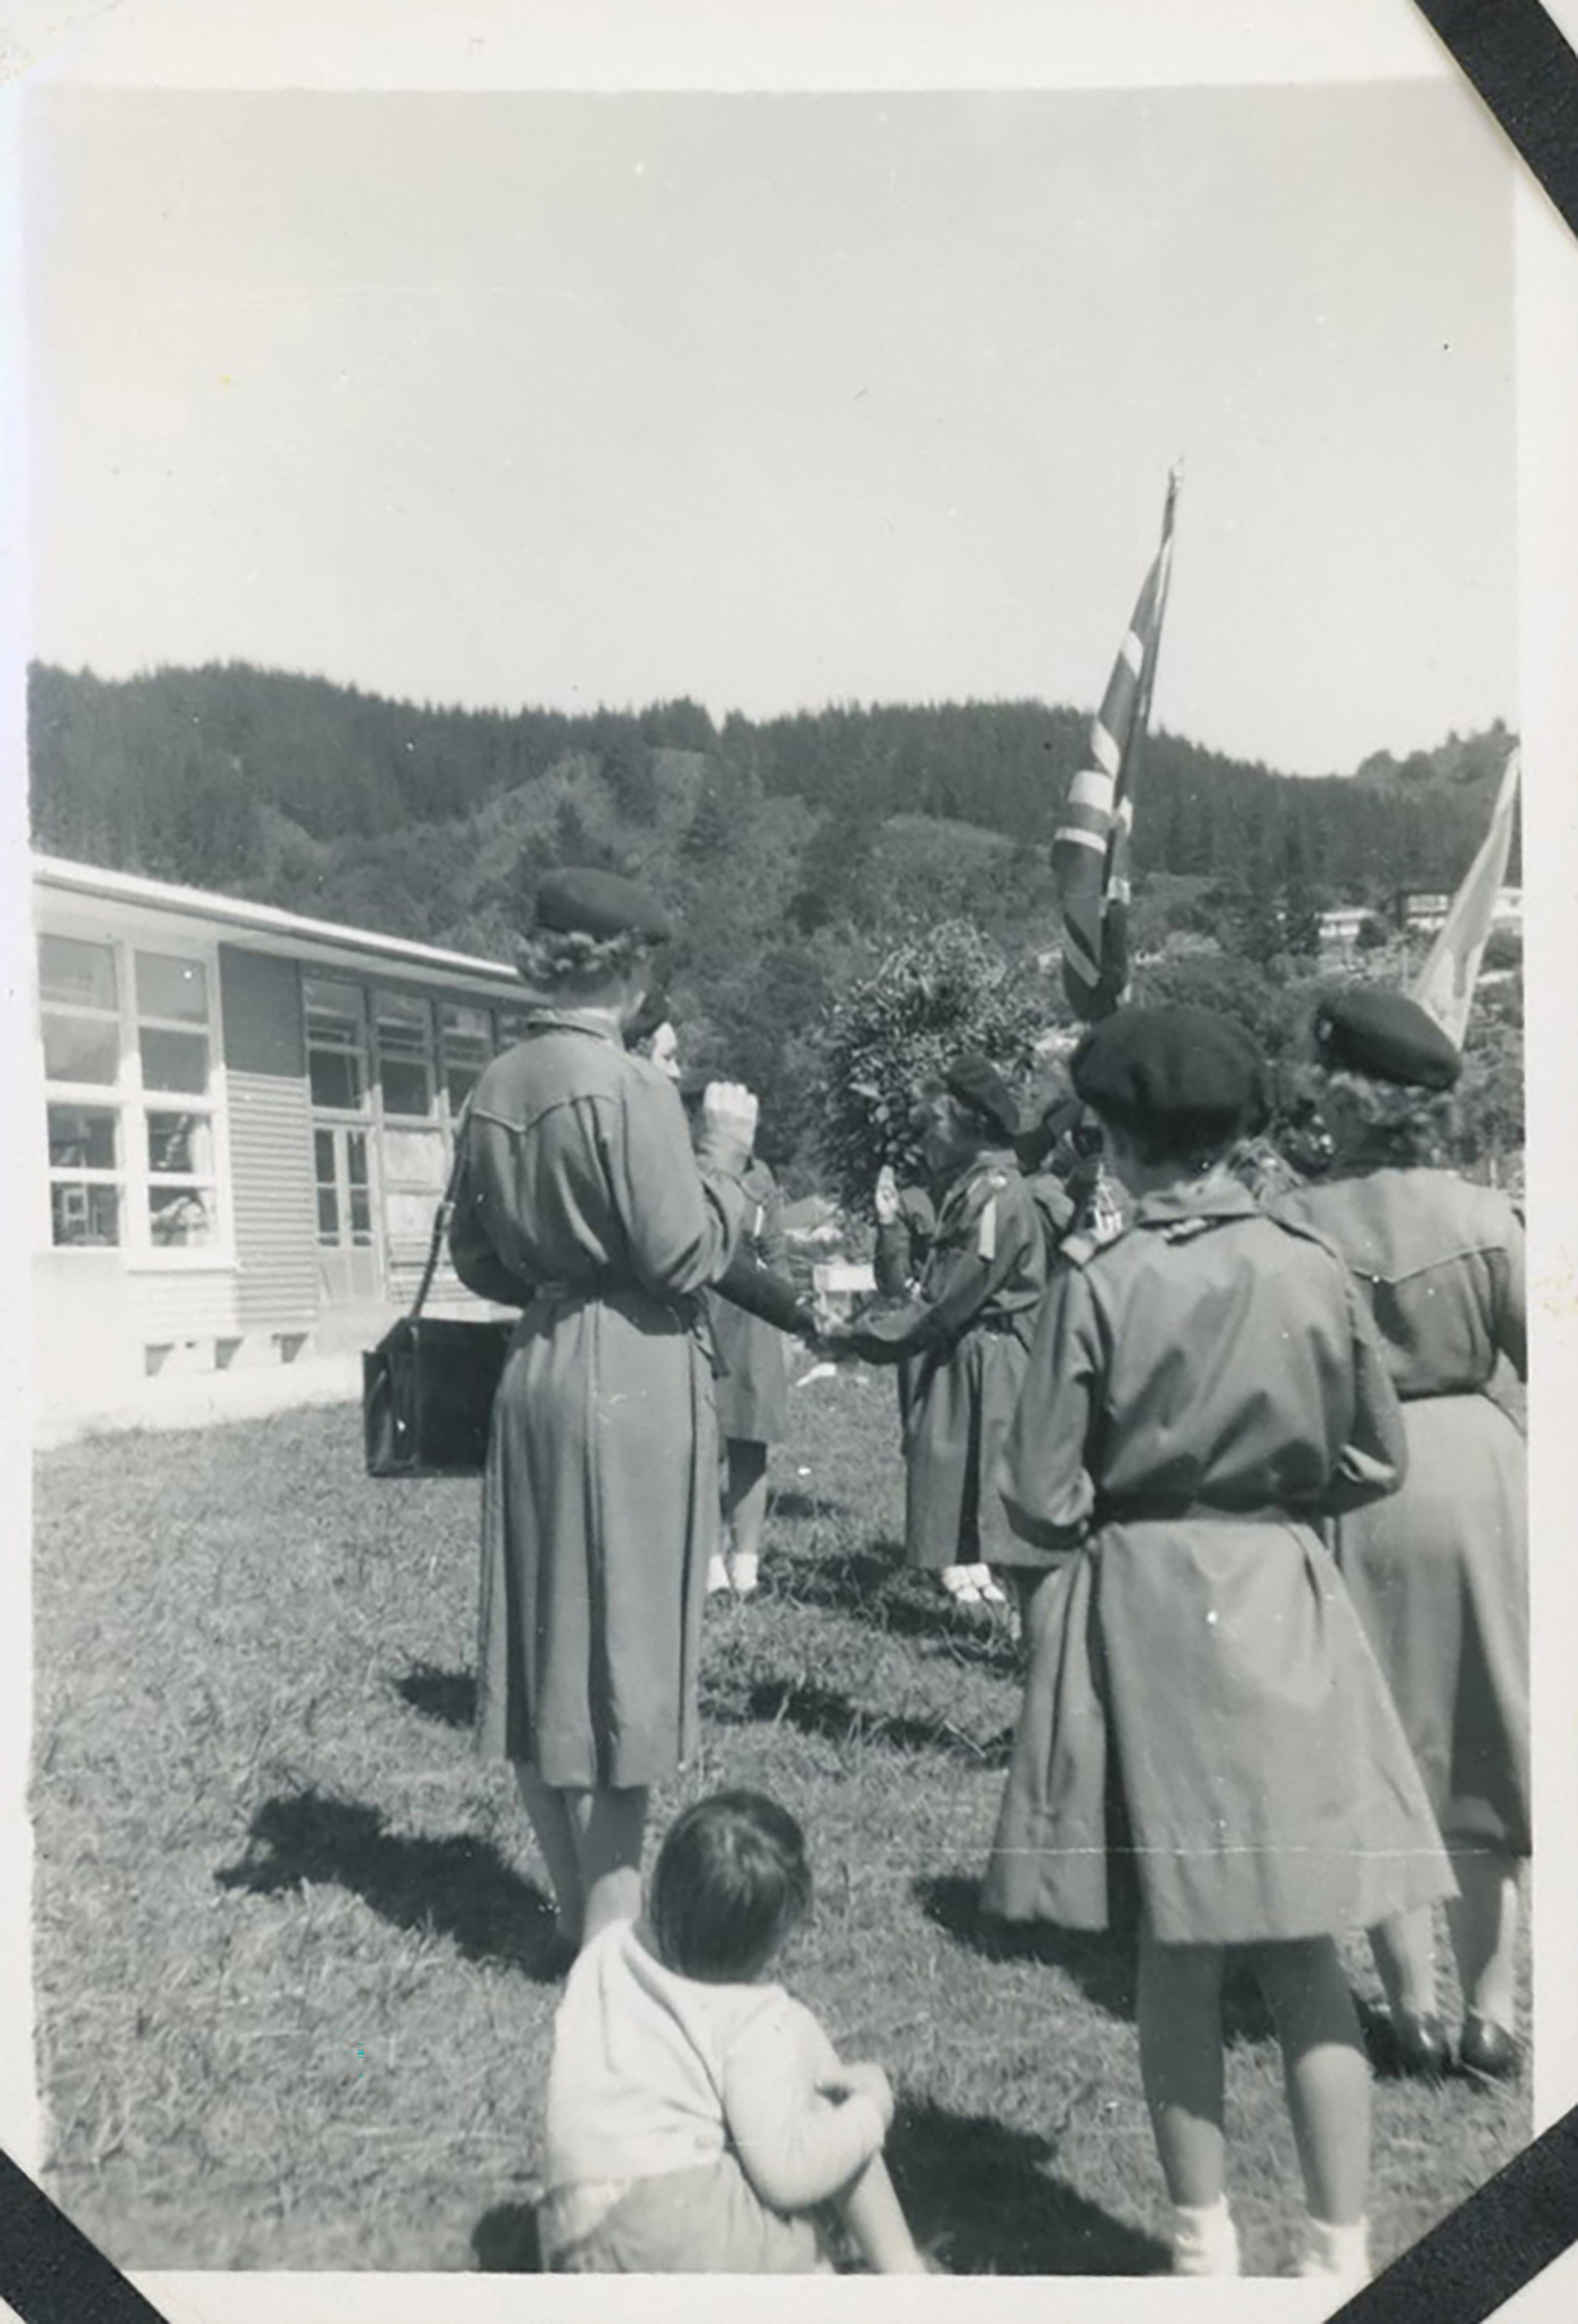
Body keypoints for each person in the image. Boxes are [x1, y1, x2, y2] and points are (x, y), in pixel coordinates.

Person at [981, 1004, 1454, 2287]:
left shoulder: (1101, 1279)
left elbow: (1037, 1494)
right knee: (1309, 1949)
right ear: (1242, 1130)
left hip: (1146, 1606)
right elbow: (1374, 1454)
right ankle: (1342, 2254)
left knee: (1178, 1950)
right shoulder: (1309, 1265)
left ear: (1119, 1136)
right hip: (1284, 1599)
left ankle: (1203, 2246)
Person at [447, 868, 759, 1963]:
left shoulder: (493, 1082)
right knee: (626, 1656)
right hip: (628, 1372)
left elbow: (475, 1257)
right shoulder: (626, 1086)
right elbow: (682, 1255)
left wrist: (555, 1279)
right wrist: (722, 1158)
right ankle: (613, 1937)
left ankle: (580, 1911)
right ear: (626, 967)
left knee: (539, 1653)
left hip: (534, 1365)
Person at [1276, 985, 1528, 2083]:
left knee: (1375, 1747)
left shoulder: (1295, 1222)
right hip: (1475, 1475)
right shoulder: (1485, 1218)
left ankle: (1410, 2009)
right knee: (1482, 1734)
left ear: (1350, 1100)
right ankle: (1492, 2008)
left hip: (1351, 1483)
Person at [537, 1790, 927, 2274]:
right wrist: (871, 2112)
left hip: (573, 2234)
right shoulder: (754, 2017)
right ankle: (905, 2276)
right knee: (827, 2106)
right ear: (771, 1940)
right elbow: (785, 2176)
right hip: (676, 2225)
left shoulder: (605, 1952)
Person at [827, 1056, 1047, 1610]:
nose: (923, 1140)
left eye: (932, 1127)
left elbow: (946, 1300)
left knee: (1001, 1508)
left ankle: (1037, 1646)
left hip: (990, 1362)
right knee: (971, 1492)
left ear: (969, 1125)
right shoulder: (976, 1189)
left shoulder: (993, 1196)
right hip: (973, 1355)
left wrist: (856, 1337)